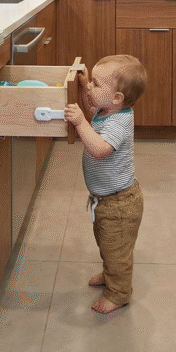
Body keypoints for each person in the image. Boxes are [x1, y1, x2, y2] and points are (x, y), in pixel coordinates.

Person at [64, 54, 147, 314]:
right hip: (106, 200)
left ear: (117, 99)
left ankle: (119, 293)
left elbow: (100, 149)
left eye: (97, 85)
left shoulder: (119, 122)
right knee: (106, 243)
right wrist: (86, 82)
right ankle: (110, 271)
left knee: (117, 250)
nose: (90, 90)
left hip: (120, 204)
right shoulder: (106, 110)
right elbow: (92, 107)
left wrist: (78, 123)